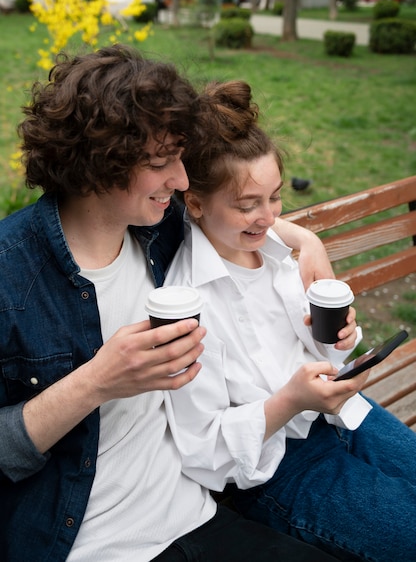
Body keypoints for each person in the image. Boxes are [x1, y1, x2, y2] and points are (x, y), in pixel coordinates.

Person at [0, 45, 341, 562]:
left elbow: (228, 213)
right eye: (160, 163)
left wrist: (306, 241)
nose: (182, 181)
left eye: (179, 158)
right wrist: (97, 381)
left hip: (194, 512)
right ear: (96, 166)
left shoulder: (157, 230)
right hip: (86, 542)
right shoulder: (11, 274)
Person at [164, 79, 416, 562]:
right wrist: (290, 400)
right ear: (194, 203)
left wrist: (341, 339)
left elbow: (320, 351)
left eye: (275, 198)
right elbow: (202, 450)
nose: (266, 217)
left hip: (345, 415)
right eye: (247, 205)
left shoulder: (281, 254)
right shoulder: (189, 303)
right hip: (279, 464)